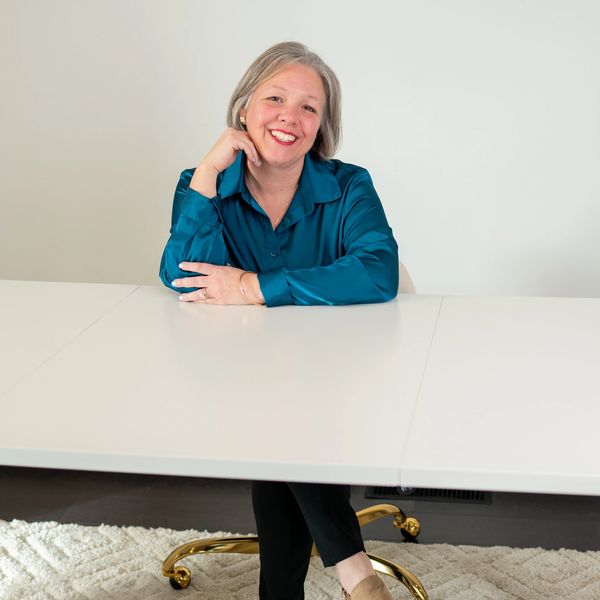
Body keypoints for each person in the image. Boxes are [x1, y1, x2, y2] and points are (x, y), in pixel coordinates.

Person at [159, 42, 398, 600]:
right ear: (244, 108)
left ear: (321, 128)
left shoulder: (348, 186)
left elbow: (378, 269)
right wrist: (209, 172)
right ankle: (355, 574)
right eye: (274, 99)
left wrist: (253, 287)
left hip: (335, 381)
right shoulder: (203, 182)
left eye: (309, 107)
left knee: (287, 412)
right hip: (228, 378)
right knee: (282, 410)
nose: (290, 116)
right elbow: (184, 276)